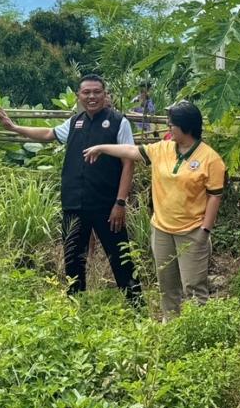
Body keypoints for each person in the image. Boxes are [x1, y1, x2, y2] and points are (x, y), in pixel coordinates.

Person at [0, 74, 142, 301]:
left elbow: (129, 162)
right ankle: (76, 304)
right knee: (73, 258)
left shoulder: (118, 122)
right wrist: (14, 127)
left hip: (108, 206)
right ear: (78, 96)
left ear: (105, 95)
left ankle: (137, 306)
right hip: (74, 203)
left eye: (97, 92)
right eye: (86, 93)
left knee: (120, 257)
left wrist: (120, 202)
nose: (92, 96)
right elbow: (47, 134)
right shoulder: (75, 122)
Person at [82, 100, 225, 319]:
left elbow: (215, 197)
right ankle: (171, 327)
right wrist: (102, 148)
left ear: (186, 126)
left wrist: (204, 230)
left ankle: (199, 333)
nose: (168, 128)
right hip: (162, 230)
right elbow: (130, 150)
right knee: (167, 286)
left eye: (172, 124)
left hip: (192, 231)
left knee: (194, 287)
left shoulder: (210, 158)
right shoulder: (162, 148)